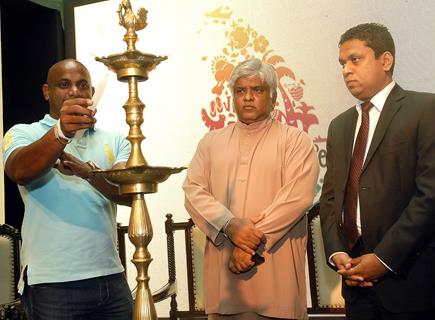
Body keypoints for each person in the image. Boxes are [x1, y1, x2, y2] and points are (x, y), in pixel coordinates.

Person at [183, 58, 319, 320]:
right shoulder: (211, 142)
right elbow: (193, 191)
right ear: (232, 97)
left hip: (275, 278)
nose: (248, 98)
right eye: (240, 91)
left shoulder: (295, 141)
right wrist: (229, 225)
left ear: (273, 97)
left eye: (257, 90)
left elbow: (296, 199)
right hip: (226, 283)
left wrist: (247, 245)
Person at [319, 23, 435, 319]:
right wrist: (337, 254)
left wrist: (384, 259)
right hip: (355, 282)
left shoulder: (425, 109)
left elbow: (429, 195)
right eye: (342, 63)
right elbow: (330, 199)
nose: (346, 70)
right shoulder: (340, 125)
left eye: (355, 59)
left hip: (410, 281)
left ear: (386, 60)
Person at [2, 59, 133, 319]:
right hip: (52, 282)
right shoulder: (23, 133)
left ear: (91, 92)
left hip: (111, 278)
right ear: (46, 92)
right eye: (64, 84)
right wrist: (61, 133)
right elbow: (19, 171)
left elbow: (129, 195)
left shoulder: (114, 139)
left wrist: (90, 174)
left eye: (82, 85)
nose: (74, 91)